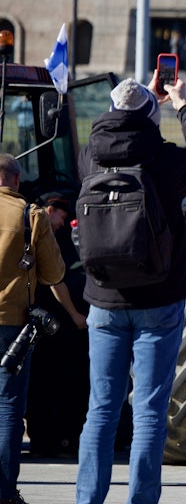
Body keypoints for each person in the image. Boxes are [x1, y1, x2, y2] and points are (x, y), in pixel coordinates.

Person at [73, 75, 186, 504]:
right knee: (151, 410)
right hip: (159, 299)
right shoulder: (163, 160)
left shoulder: (90, 155)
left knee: (101, 409)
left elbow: (116, 126)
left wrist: (142, 105)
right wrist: (178, 103)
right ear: (149, 117)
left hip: (104, 298)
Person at [0, 156, 79, 504]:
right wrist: (75, 314)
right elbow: (54, 274)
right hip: (12, 325)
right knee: (9, 407)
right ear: (17, 179)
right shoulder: (31, 215)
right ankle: (4, 493)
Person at [24, 192, 90, 458]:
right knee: (47, 382)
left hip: (42, 322)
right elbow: (56, 280)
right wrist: (75, 315)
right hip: (51, 324)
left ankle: (50, 438)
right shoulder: (44, 234)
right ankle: (51, 438)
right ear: (50, 210)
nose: (64, 224)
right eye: (62, 217)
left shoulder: (33, 229)